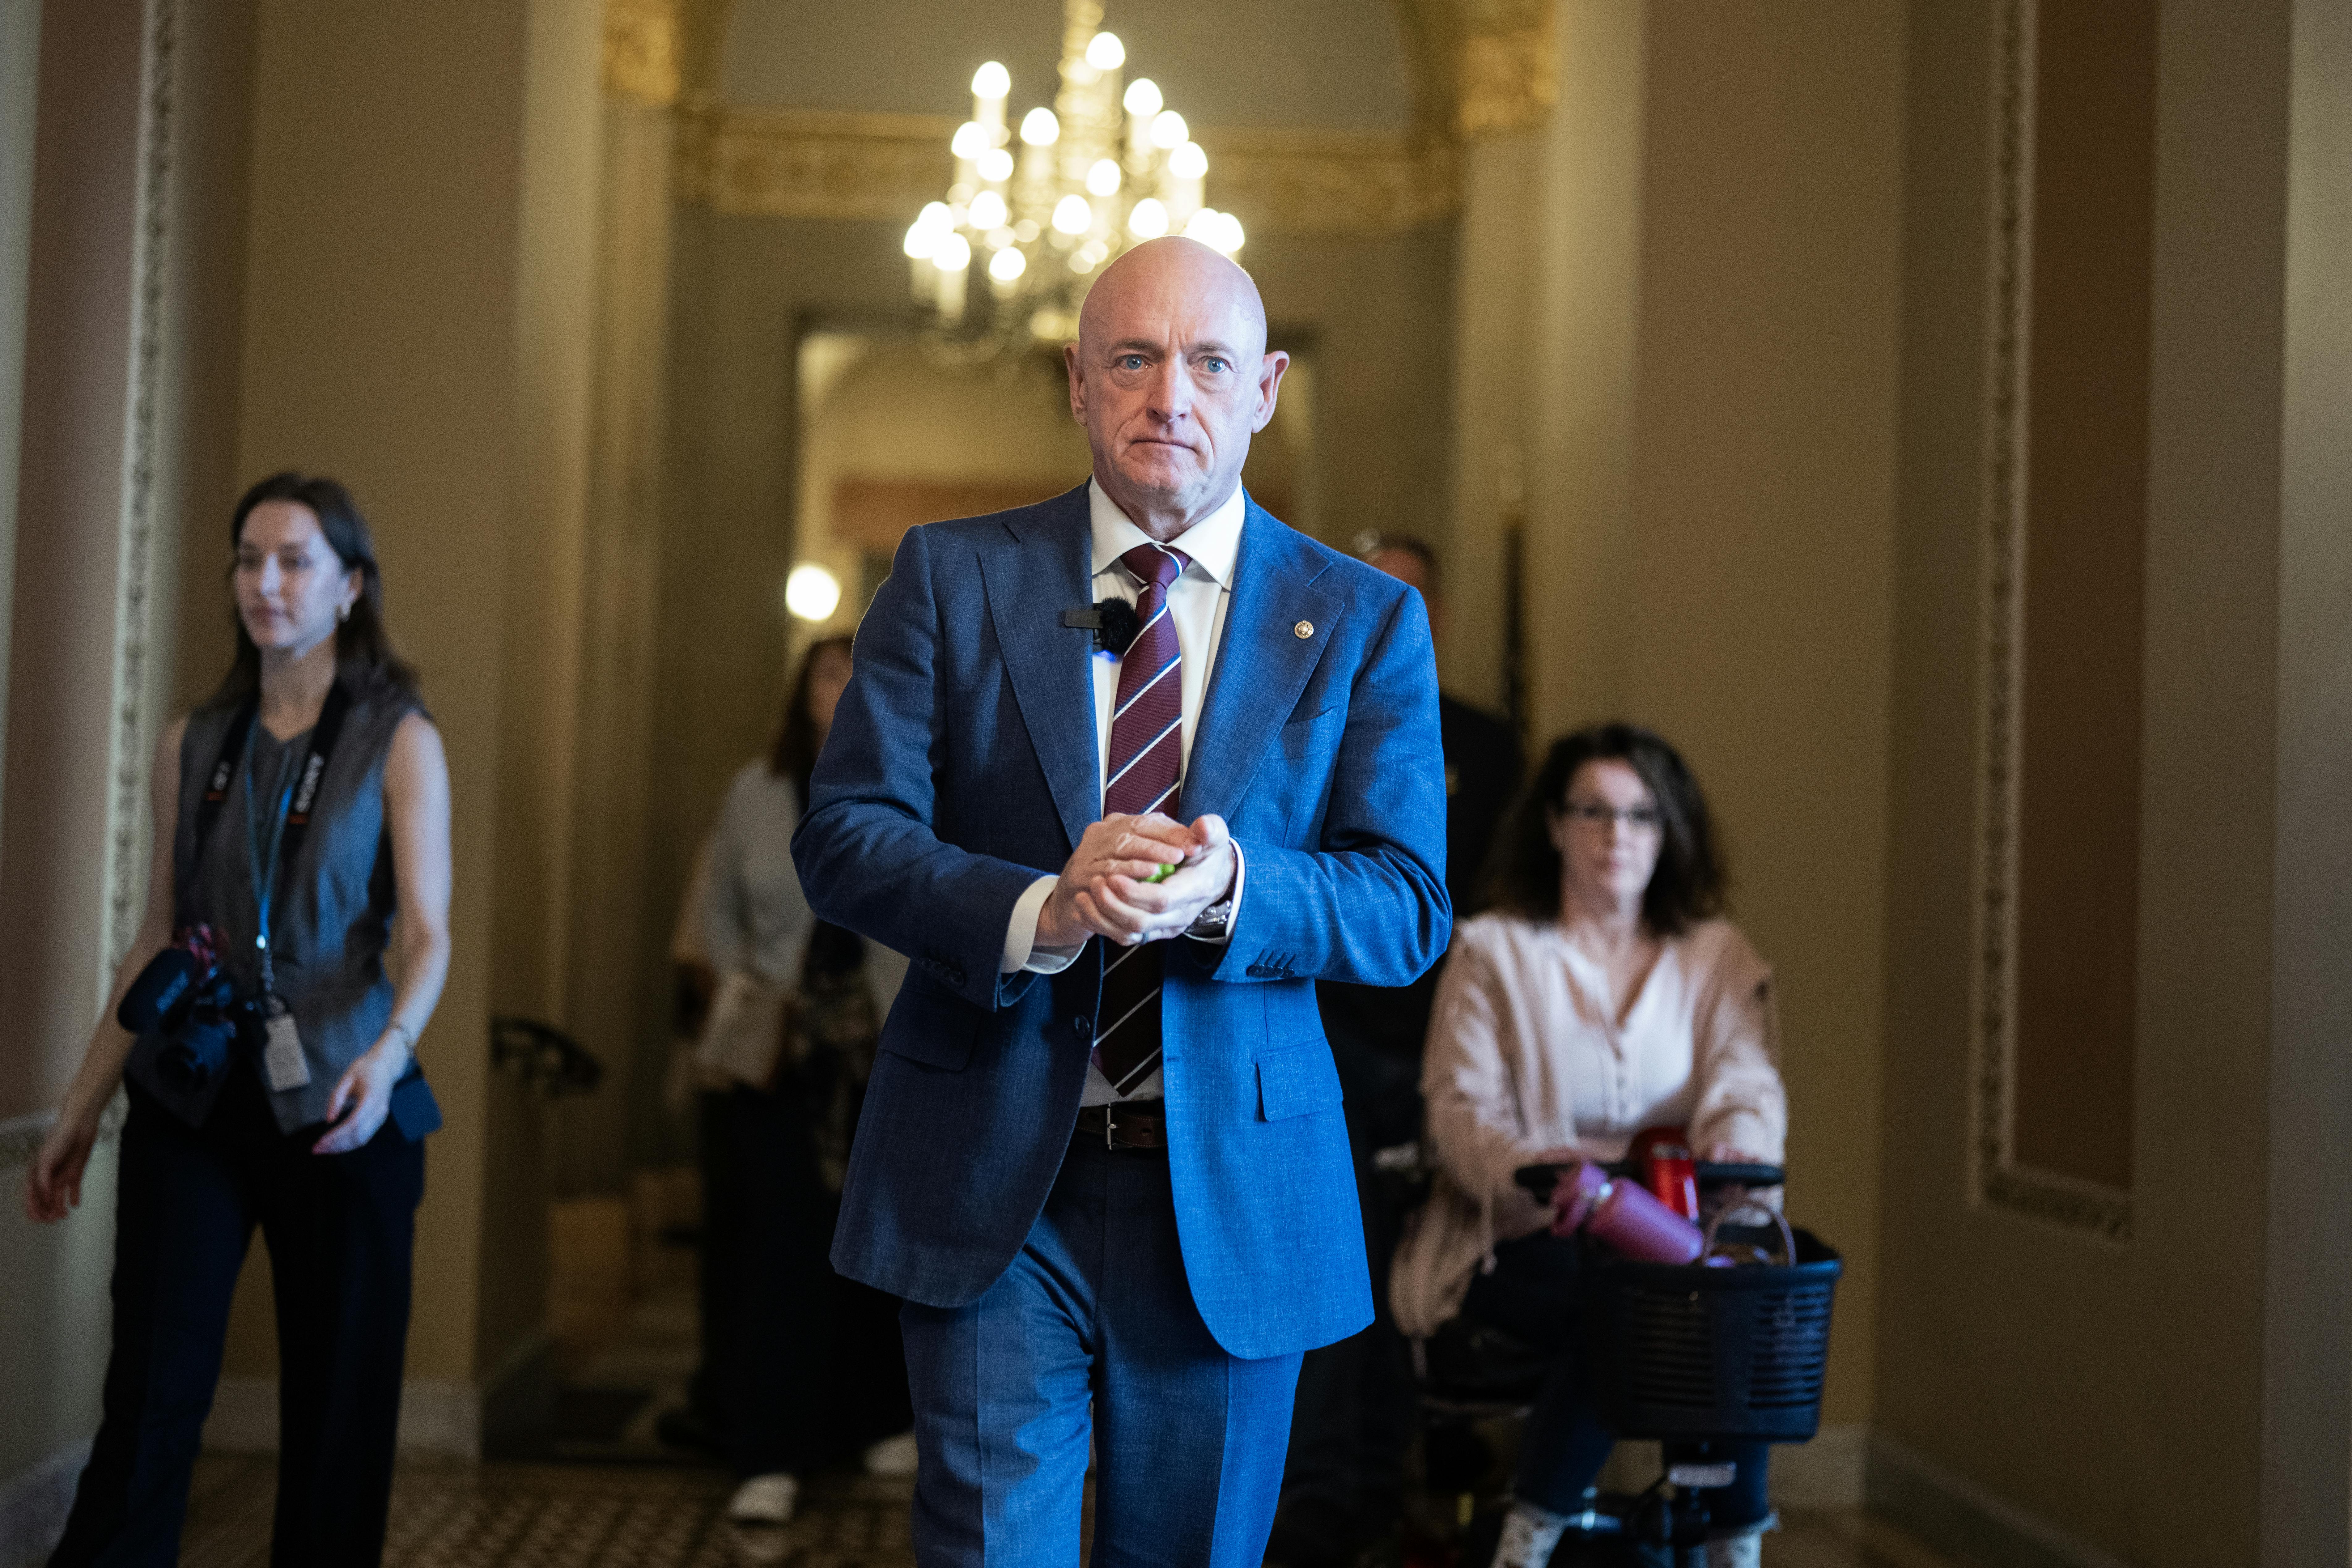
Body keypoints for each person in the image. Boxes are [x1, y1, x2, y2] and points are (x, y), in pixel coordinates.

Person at [791, 236, 1450, 1566]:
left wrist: (1233, 892)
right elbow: (846, 839)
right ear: (1078, 388)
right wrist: (1043, 906)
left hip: (1228, 1191)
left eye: (1208, 362)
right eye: (1133, 361)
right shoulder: (949, 575)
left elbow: (1403, 905)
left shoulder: (1364, 618)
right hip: (987, 1175)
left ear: (1263, 388)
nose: (1171, 397)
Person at [25, 472, 452, 1566]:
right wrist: (81, 1108)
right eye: (248, 558)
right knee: (151, 1399)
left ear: (349, 585)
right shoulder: (193, 740)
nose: (266, 582)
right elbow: (162, 931)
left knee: (337, 1424)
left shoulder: (398, 737)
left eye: (295, 560)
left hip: (349, 1103)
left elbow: (429, 935)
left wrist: (390, 1053)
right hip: (196, 1092)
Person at [1392, 723, 1787, 1568]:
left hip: (1676, 1234)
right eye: (1595, 811)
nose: (1618, 835)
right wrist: (1549, 1175)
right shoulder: (1493, 951)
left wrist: (1728, 1170)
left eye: (1642, 815)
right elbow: (1462, 1115)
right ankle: (1528, 1542)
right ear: (1552, 824)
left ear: (1669, 829)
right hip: (1521, 1234)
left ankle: (1731, 1544)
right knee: (1626, 1304)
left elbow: (1746, 1087)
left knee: (1720, 1298)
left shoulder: (1713, 958)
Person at [1272, 533, 1523, 1567]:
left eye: (1409, 594)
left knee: (1411, 1286)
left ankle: (1394, 1496)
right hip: (1310, 1034)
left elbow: (1495, 893)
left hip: (1434, 1043)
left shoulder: (1485, 742)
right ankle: (1322, 1516)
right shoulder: (1291, 713)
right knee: (1319, 1284)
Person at [684, 634, 914, 1523]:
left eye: (862, 668)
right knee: (779, 1255)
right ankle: (769, 1450)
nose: (845, 683)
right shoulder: (755, 791)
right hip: (779, 1058)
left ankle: (879, 1419)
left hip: (885, 1052)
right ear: (801, 690)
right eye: (828, 669)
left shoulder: (917, 781)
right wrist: (753, 998)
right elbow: (721, 916)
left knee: (880, 1248)